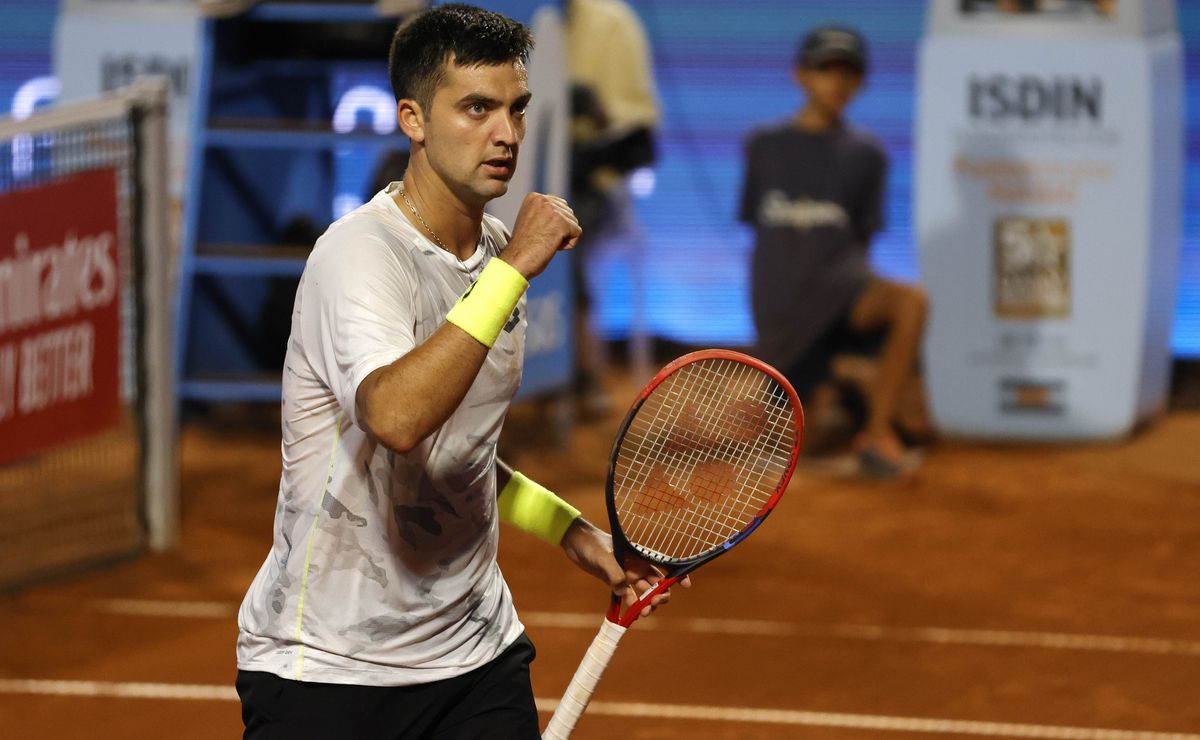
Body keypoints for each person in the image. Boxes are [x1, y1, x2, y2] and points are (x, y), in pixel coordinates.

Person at [234, 6, 682, 739]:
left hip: (477, 656)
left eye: (516, 109)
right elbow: (397, 420)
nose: (506, 134)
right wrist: (514, 269)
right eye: (477, 108)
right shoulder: (359, 256)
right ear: (412, 119)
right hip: (331, 672)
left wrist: (576, 534)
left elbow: (459, 457)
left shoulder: (497, 260)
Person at [739, 26, 927, 477]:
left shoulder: (868, 154)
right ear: (801, 75)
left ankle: (876, 434)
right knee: (789, 446)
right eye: (826, 69)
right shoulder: (763, 145)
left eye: (849, 72)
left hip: (843, 298)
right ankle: (841, 379)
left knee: (911, 303)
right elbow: (759, 235)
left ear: (860, 82)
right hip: (785, 315)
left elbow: (861, 242)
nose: (838, 82)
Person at [564, 0, 661, 411]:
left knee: (557, 229)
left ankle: (578, 369)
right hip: (506, 178)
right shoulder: (500, 15)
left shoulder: (612, 23)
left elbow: (638, 138)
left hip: (589, 184)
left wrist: (590, 124)